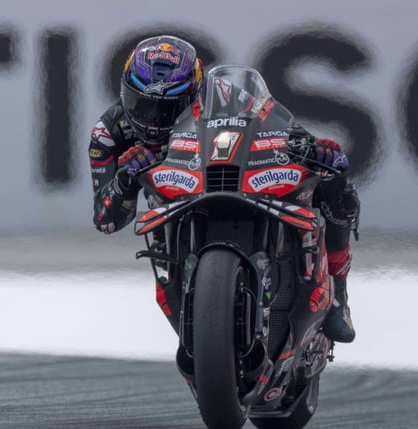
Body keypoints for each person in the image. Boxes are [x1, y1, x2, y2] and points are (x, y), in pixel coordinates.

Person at [89, 35, 359, 343]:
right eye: (141, 104)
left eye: (167, 109)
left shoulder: (224, 94)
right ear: (124, 90)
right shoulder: (108, 132)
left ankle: (338, 293)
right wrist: (124, 180)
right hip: (171, 206)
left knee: (337, 188)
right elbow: (106, 221)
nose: (151, 121)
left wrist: (313, 149)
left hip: (224, 179)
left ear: (193, 93)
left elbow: (284, 128)